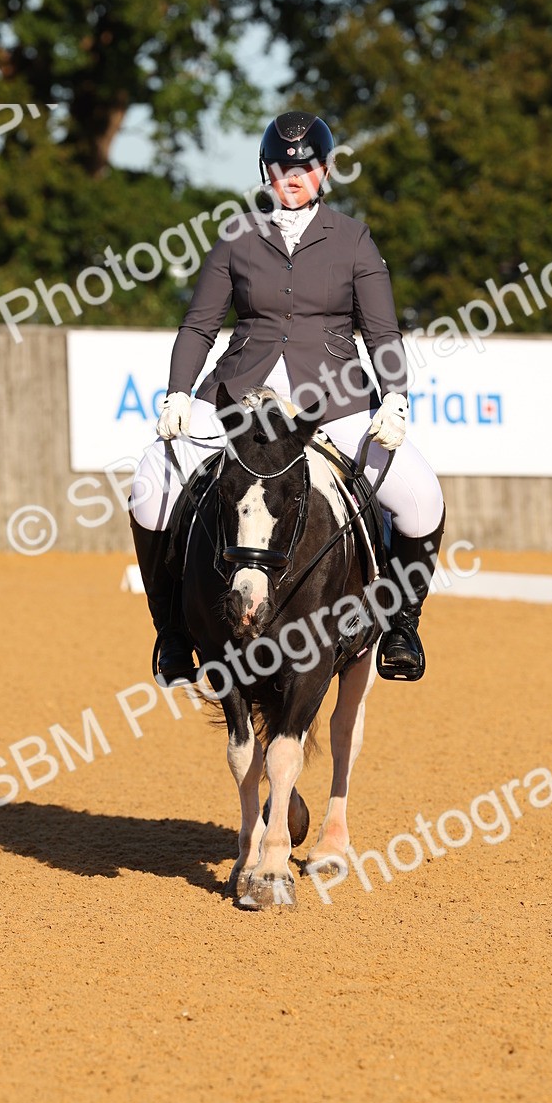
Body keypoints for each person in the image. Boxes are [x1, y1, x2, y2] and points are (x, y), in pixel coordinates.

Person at [129, 110, 445, 686]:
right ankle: (172, 632)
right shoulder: (237, 236)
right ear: (265, 172)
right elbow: (199, 324)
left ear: (323, 171)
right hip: (238, 396)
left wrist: (395, 399)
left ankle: (401, 627)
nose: (292, 175)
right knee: (151, 483)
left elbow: (382, 333)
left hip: (335, 400)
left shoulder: (353, 238)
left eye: (304, 167)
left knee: (422, 496)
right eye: (281, 167)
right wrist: (178, 393)